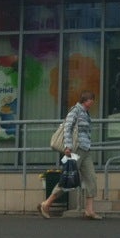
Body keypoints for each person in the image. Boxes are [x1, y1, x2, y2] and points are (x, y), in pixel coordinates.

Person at [39, 90, 102, 220]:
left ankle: (89, 210)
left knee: (91, 178)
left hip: (85, 150)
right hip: (75, 150)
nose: (93, 102)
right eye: (91, 100)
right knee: (68, 178)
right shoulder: (75, 111)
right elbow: (67, 128)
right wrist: (68, 146)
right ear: (86, 100)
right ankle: (46, 204)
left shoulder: (85, 113)